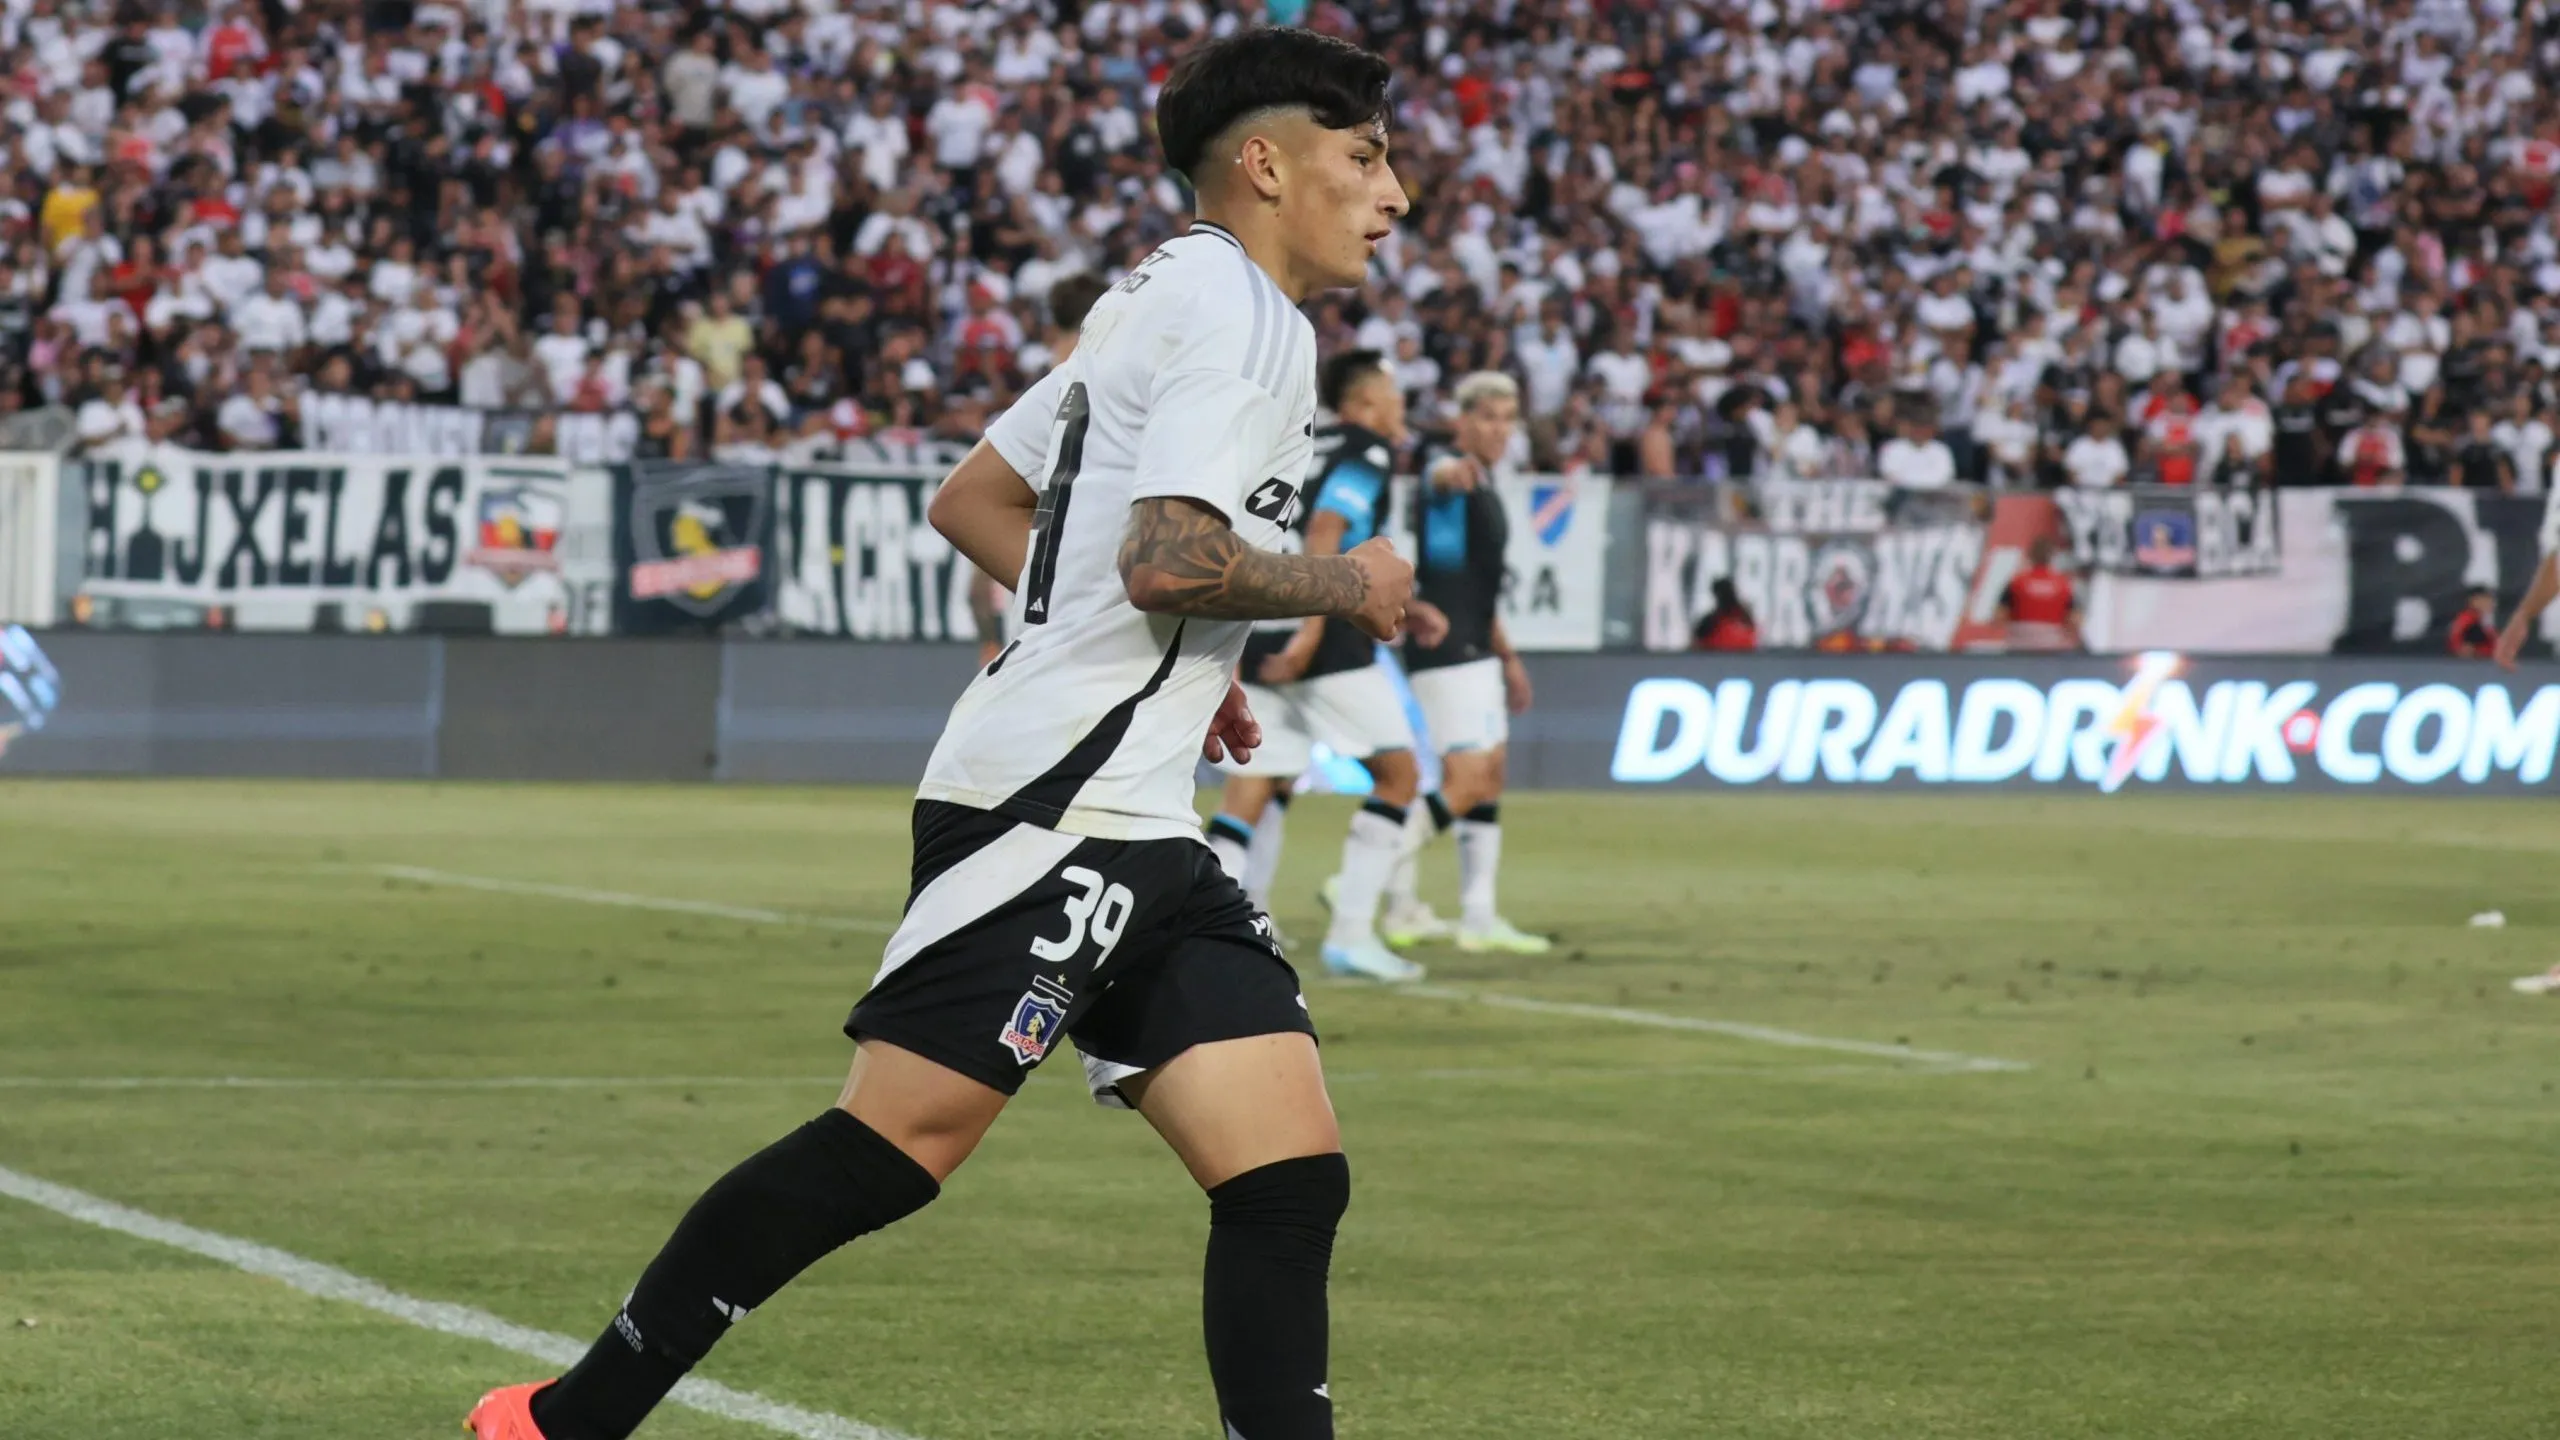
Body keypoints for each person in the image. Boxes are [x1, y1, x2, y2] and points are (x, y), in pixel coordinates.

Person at [467, 29, 1414, 1440]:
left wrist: (1175, 659)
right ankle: (564, 1422)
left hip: (1136, 812)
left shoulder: (1157, 292)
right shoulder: (1248, 318)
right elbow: (1166, 556)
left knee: (1286, 1175)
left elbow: (975, 498)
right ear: (1268, 165)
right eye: (1366, 156)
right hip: (1057, 809)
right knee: (892, 1147)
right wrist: (1350, 584)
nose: (1395, 194)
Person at [1208, 348, 1445, 981]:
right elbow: (1327, 529)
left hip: (1261, 625)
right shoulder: (1368, 449)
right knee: (1398, 775)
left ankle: (1209, 931)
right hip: (1325, 638)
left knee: (1254, 789)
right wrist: (1312, 633)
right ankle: (1351, 935)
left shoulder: (1305, 440)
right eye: (1393, 395)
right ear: (1365, 401)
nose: (1400, 407)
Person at [1380, 370, 1550, 955]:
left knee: (1489, 775)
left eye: (1507, 419)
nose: (1498, 430)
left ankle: (1476, 914)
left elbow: (1481, 590)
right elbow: (1437, 475)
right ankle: (1366, 873)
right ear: (1463, 420)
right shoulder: (1451, 470)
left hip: (1476, 645)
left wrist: (1510, 658)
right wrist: (1448, 473)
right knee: (1468, 778)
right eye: (1487, 417)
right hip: (1448, 648)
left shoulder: (1486, 483)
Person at [969, 270, 1111, 665]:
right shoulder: (1110, 397)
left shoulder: (1027, 407)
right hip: (1094, 623)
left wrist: (988, 643)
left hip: (1031, 632)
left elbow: (978, 576)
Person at [1998, 536, 2081, 652]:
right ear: (2052, 557)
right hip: (2052, 645)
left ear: (2030, 556)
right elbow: (2074, 620)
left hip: (2020, 645)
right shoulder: (2063, 585)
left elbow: (1999, 616)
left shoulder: (2017, 582)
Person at [1690, 577, 1757, 651]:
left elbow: (1697, 642)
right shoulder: (1747, 619)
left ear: (1717, 595)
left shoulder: (1711, 621)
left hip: (1716, 656)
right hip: (1745, 657)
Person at [2448, 586, 2499, 658]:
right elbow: (2460, 645)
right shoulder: (2468, 621)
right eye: (2485, 600)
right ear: (2473, 601)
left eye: (2491, 600)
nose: (2491, 603)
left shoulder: (2483, 619)